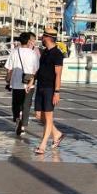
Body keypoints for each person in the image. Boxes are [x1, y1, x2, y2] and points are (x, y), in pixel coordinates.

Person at [32, 27, 65, 155]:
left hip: (50, 89)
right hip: (40, 86)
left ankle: (43, 144)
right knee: (39, 116)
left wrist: (57, 92)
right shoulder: (45, 52)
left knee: (49, 117)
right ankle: (57, 134)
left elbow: (58, 75)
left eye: (43, 36)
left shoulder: (57, 54)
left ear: (48, 37)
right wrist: (31, 82)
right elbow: (40, 70)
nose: (41, 38)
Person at [5, 32, 40, 136]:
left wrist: (8, 80)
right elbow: (36, 70)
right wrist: (32, 81)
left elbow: (9, 69)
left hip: (16, 83)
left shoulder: (14, 52)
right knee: (26, 105)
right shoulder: (33, 53)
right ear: (28, 41)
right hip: (29, 83)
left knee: (16, 103)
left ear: (20, 41)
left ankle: (17, 119)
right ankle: (23, 126)